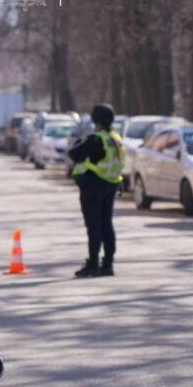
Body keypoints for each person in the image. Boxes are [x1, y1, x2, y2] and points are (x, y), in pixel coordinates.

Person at [68, 103, 124, 278]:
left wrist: (80, 141)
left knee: (94, 226)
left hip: (93, 185)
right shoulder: (115, 138)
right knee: (107, 225)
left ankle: (93, 264)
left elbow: (74, 154)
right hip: (111, 185)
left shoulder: (95, 139)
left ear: (96, 121)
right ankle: (108, 265)